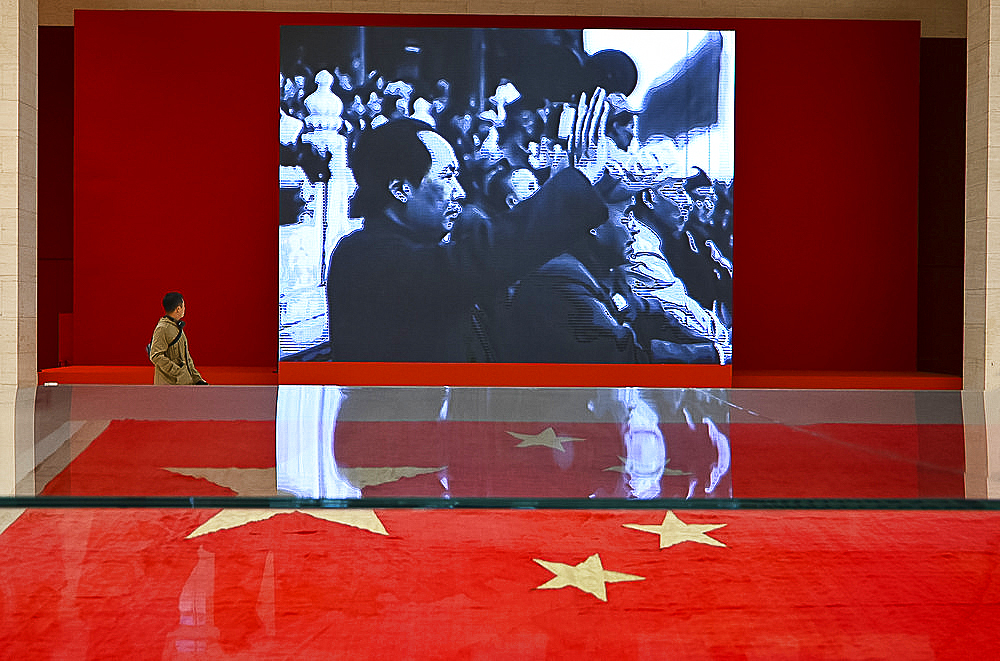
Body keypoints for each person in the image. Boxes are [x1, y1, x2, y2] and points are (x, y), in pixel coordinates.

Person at [326, 89, 612, 362]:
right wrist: (575, 184)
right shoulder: (364, 258)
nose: (460, 192)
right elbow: (480, 256)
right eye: (447, 176)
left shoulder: (421, 247)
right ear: (401, 189)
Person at [149, 292, 208, 385]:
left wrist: (197, 379)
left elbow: (186, 358)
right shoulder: (163, 328)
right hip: (169, 386)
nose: (184, 309)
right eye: (183, 306)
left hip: (182, 384)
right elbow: (156, 356)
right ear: (178, 309)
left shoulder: (176, 327)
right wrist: (179, 372)